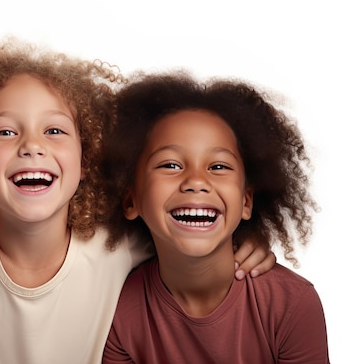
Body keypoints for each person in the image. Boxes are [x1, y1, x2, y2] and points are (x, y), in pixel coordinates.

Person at [0, 37, 276, 364]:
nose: (32, 145)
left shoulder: (121, 249)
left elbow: (190, 234)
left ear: (85, 160)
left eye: (54, 131)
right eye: (5, 132)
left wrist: (247, 239)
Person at [102, 71, 329, 363]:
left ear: (246, 201)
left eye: (219, 166)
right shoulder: (120, 311)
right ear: (131, 199)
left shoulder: (291, 304)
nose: (196, 181)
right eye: (170, 165)